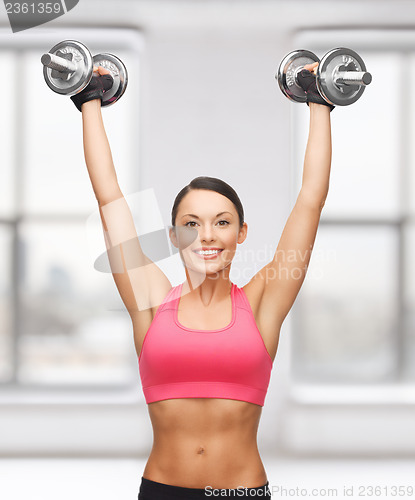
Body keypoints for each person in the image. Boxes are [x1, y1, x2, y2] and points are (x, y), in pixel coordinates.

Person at [70, 61, 333, 499]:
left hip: (242, 492)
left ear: (241, 233)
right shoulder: (151, 299)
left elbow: (310, 200)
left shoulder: (263, 303)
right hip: (162, 490)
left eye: (222, 222)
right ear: (173, 237)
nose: (207, 235)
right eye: (191, 224)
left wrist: (320, 103)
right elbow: (109, 197)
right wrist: (89, 100)